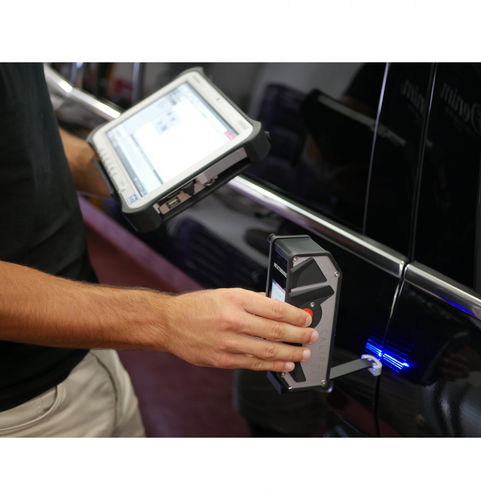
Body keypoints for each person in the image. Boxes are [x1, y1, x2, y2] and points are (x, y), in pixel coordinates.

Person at [0, 63, 317, 437]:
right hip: (23, 407)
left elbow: (18, 130)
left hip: (82, 342)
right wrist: (165, 321)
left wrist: (111, 169)